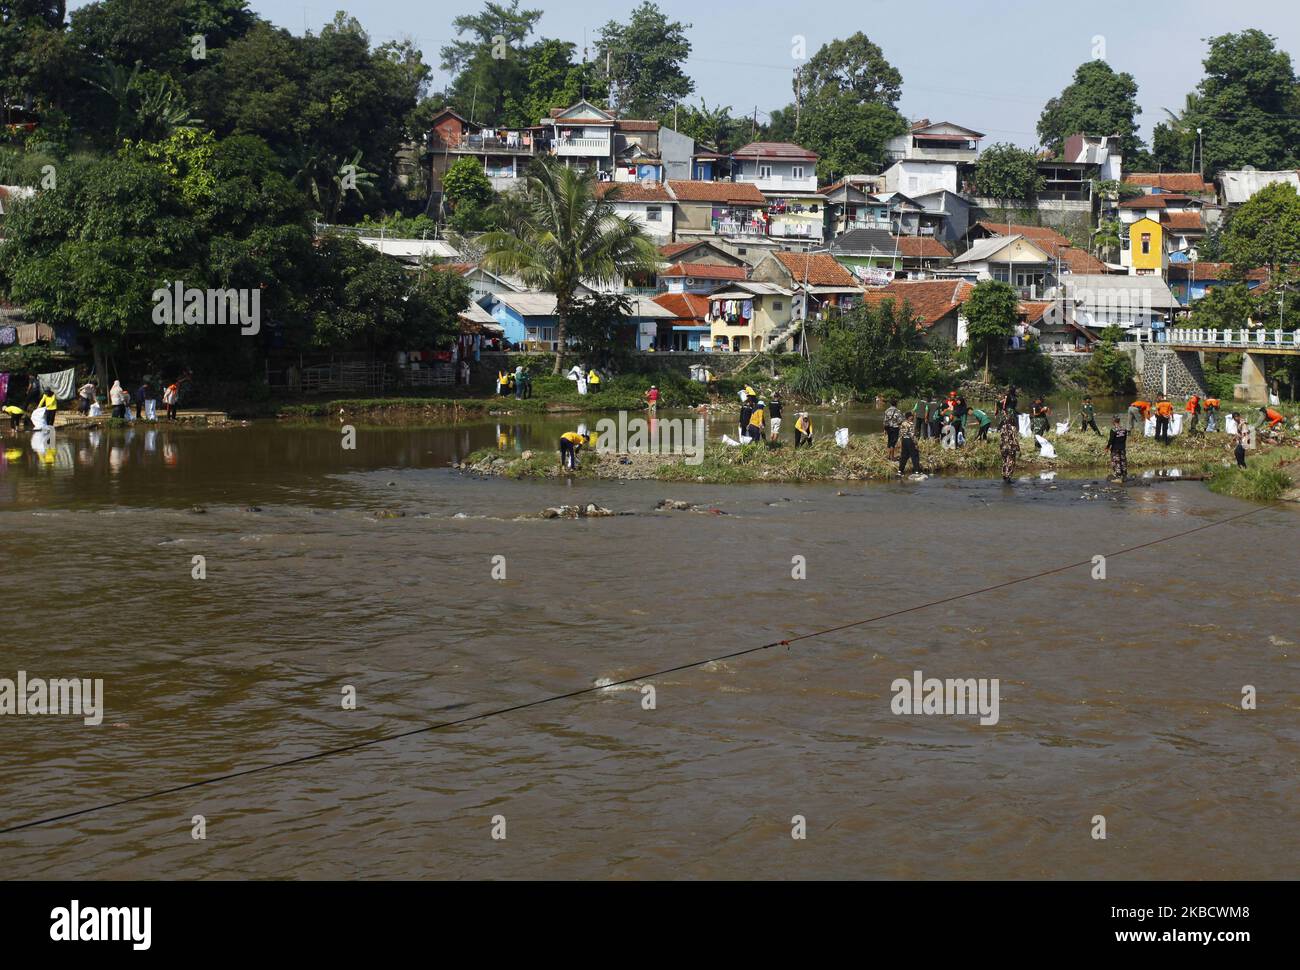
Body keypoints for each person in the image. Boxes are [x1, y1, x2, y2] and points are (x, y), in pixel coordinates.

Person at [1102, 416, 1129, 482]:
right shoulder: (1124, 429)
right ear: (1119, 421)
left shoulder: (1113, 430)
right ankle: (1124, 474)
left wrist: (1107, 447)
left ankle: (1118, 476)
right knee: (1123, 461)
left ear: (1113, 421)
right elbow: (1125, 439)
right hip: (1122, 447)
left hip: (1115, 448)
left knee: (1116, 462)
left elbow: (1111, 440)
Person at [998, 413, 1020, 484]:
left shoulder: (1002, 427)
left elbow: (1001, 438)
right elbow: (1014, 438)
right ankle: (1008, 477)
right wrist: (1018, 448)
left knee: (1005, 461)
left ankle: (1004, 475)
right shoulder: (1012, 427)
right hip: (1011, 447)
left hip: (1003, 447)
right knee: (1011, 462)